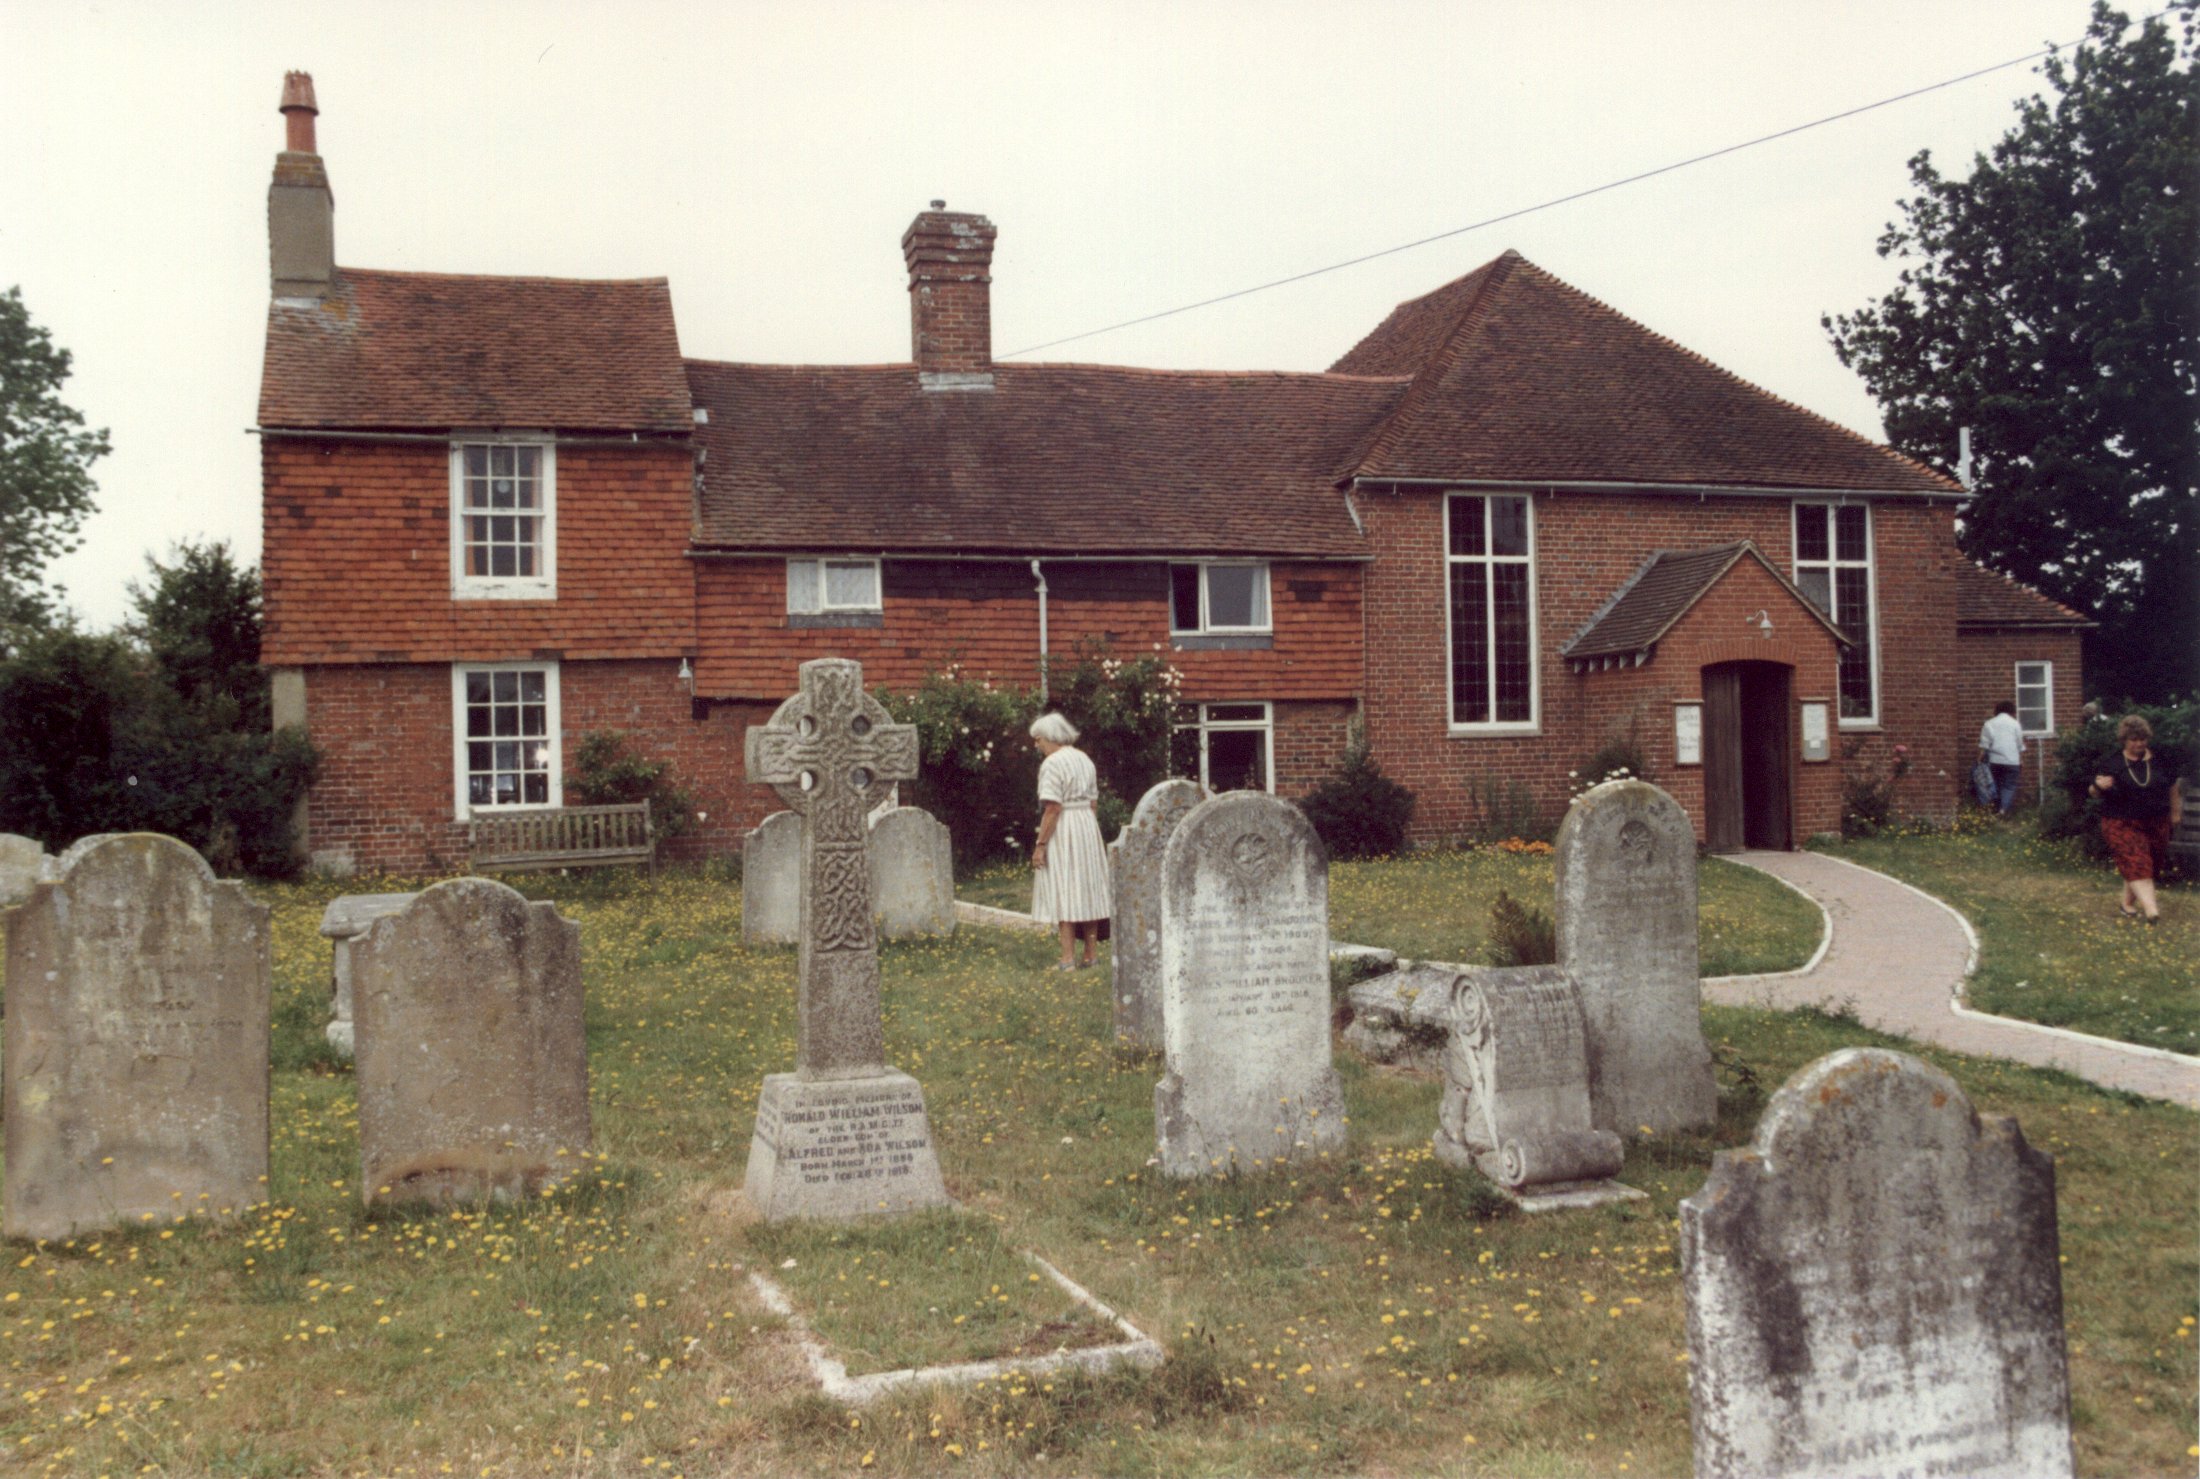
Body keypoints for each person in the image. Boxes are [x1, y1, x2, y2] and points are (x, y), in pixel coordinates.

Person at [1029, 712, 1112, 969]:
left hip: (1065, 826)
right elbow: (1093, 803)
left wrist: (1040, 845)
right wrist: (1087, 831)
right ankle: (1090, 956)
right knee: (1088, 889)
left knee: (1065, 888)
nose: (1036, 745)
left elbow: (1053, 807)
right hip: (1087, 825)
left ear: (1050, 737)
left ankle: (1067, 960)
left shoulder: (1052, 763)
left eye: (1038, 739)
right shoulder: (1084, 759)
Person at [2091, 713, 2182, 923]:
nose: (2139, 744)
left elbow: (2173, 787)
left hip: (2156, 820)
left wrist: (2175, 812)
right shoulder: (2113, 762)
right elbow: (2094, 792)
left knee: (2150, 864)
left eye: (2143, 739)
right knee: (2136, 861)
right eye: (2134, 740)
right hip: (2121, 821)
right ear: (2124, 740)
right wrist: (2097, 786)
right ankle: (2152, 911)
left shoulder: (2160, 760)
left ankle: (2126, 904)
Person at [1977, 700, 2025, 814]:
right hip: (2012, 761)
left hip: (1995, 760)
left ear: (1997, 711)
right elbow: (2019, 744)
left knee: (1996, 785)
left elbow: (1984, 744)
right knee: (2009, 787)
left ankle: (1996, 809)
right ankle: (2003, 810)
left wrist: (1979, 759)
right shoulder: (2015, 723)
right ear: (2012, 711)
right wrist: (2021, 759)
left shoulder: (1989, 723)